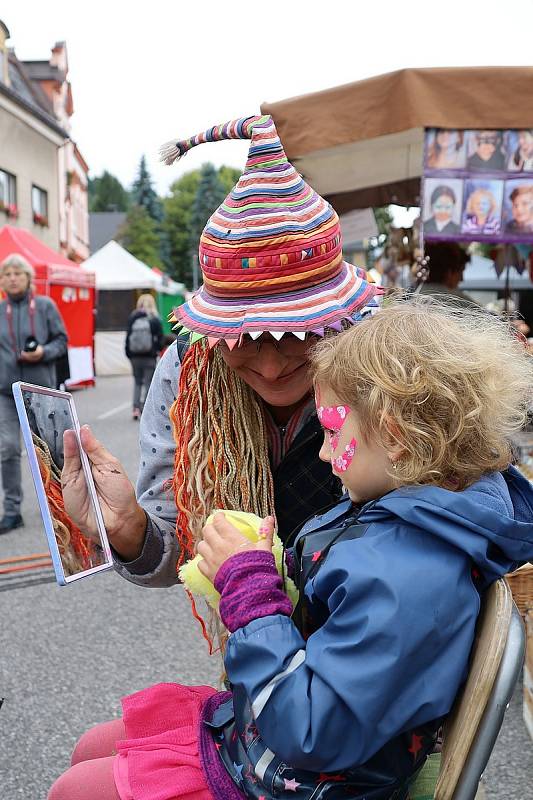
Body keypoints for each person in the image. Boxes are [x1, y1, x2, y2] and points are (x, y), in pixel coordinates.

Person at [49, 298, 533, 800]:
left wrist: (250, 588)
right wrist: (265, 568)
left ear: (393, 437)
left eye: (329, 430)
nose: (324, 452)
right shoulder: (400, 518)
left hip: (301, 774)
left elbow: (311, 730)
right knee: (93, 746)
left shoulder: (408, 576)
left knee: (74, 788)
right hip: (285, 736)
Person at [0, 253, 67, 533]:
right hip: (5, 392)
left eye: (17, 273)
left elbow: (62, 341)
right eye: (7, 274)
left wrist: (43, 353)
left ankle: (63, 505)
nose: (12, 278)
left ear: (28, 278)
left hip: (39, 389)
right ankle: (13, 510)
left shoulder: (44, 306)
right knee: (8, 448)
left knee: (50, 449)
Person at [125, 293, 164, 420]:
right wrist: (156, 350)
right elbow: (161, 340)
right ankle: (145, 408)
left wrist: (129, 354)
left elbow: (127, 338)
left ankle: (135, 408)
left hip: (135, 357)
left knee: (137, 382)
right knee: (148, 382)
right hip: (149, 357)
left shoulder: (133, 318)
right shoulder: (154, 319)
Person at [417, 242, 477, 307]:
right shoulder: (458, 302)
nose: (462, 279)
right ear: (449, 272)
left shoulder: (415, 294)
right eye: (460, 272)